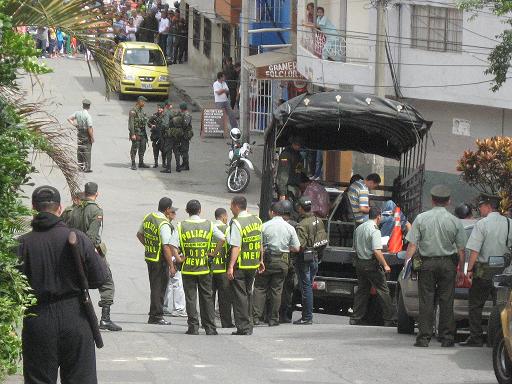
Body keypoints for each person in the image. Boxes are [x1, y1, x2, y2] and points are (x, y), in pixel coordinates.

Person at [19, 185, 108, 383]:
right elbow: (100, 278)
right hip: (75, 315)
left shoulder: (23, 244)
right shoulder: (77, 238)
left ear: (34, 208)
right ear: (59, 209)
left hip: (38, 317)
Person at [405, 185, 467, 348]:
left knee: (426, 300)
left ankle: (424, 338)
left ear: (432, 200)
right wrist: (462, 270)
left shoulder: (421, 218)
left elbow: (412, 245)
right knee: (447, 301)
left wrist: (407, 265)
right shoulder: (455, 221)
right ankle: (447, 338)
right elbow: (461, 250)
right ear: (448, 201)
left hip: (427, 264)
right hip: (448, 264)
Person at [64, 182, 122, 331]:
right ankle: (105, 318)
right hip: (90, 252)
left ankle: (75, 317)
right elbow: (92, 236)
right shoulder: (96, 210)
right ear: (97, 194)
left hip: (72, 252)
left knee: (76, 283)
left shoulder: (72, 210)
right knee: (107, 281)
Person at [461, 195, 512, 347]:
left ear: (489, 206)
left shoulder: (482, 224)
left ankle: (475, 338)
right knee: (501, 307)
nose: (480, 209)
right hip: (505, 273)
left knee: (476, 305)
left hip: (483, 272)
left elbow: (475, 250)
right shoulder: (510, 223)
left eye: (481, 206)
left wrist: (469, 269)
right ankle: (498, 340)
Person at [177, 200, 226, 335]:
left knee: (190, 298)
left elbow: (171, 244)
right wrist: (213, 253)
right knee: (207, 297)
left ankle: (193, 327)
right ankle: (210, 327)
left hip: (188, 268)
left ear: (187, 211)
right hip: (204, 267)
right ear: (200, 210)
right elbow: (222, 238)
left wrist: (179, 257)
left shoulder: (181, 226)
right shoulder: (208, 225)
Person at [253, 203, 300, 326]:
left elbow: (259, 245)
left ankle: (256, 317)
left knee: (260, 288)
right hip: (283, 261)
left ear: (272, 212)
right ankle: (274, 318)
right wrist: (285, 248)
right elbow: (297, 248)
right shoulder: (290, 227)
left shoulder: (264, 226)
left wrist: (260, 260)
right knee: (277, 290)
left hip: (267, 259)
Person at [136, 197, 179, 325]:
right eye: (171, 209)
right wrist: (171, 265)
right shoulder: (163, 223)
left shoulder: (148, 217)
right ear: (167, 209)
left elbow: (139, 234)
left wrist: (150, 246)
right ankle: (156, 316)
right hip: (160, 260)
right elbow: (166, 246)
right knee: (159, 288)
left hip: (150, 256)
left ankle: (153, 313)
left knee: (154, 286)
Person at [350, 207, 395, 327]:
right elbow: (376, 250)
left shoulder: (359, 228)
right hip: (370, 264)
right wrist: (385, 265)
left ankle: (355, 317)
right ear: (378, 217)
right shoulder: (375, 230)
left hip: (359, 263)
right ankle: (389, 319)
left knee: (362, 290)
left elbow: (354, 247)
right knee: (383, 290)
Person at [227, 196, 264, 335]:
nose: (230, 208)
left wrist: (231, 266)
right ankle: (249, 324)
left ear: (236, 206)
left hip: (241, 265)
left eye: (231, 205)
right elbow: (259, 242)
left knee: (240, 296)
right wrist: (261, 259)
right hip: (253, 264)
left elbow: (236, 246)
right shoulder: (257, 220)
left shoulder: (237, 223)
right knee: (248, 293)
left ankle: (243, 327)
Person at [294, 196, 328, 324]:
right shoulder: (318, 220)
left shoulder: (302, 224)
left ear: (300, 208)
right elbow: (323, 240)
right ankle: (306, 316)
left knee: (306, 287)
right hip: (315, 257)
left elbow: (300, 246)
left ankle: (307, 317)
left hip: (304, 259)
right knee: (308, 286)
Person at [211, 208, 234, 328]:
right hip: (223, 267)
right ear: (224, 216)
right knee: (224, 298)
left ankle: (208, 322)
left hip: (209, 268)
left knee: (209, 297)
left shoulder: (209, 227)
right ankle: (226, 322)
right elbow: (231, 245)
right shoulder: (227, 228)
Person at [163, 205, 187, 317]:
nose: (174, 214)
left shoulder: (166, 225)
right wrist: (175, 260)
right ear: (167, 213)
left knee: (168, 283)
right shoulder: (168, 227)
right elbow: (169, 245)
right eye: (173, 212)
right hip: (172, 257)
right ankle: (179, 308)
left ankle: (164, 306)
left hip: (167, 257)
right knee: (177, 283)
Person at [279, 199, 299, 323]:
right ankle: (284, 315)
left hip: (275, 259)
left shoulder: (272, 223)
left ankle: (271, 314)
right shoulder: (295, 225)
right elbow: (297, 246)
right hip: (290, 261)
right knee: (288, 290)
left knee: (275, 288)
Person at [68, 99, 94, 173]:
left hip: (79, 133)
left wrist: (75, 124)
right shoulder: (88, 116)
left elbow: (69, 118)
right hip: (86, 134)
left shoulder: (77, 113)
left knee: (80, 150)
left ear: (83, 105)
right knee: (87, 151)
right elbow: (89, 128)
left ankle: (80, 167)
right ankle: (87, 168)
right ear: (89, 107)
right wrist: (92, 137)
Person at [276, 136, 305, 202]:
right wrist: (282, 193)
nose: (299, 147)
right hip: (287, 189)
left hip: (294, 187)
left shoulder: (298, 155)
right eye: (298, 145)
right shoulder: (286, 155)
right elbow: (283, 174)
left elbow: (298, 171)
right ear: (293, 144)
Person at [128, 96, 149, 170]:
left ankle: (141, 163)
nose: (144, 103)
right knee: (134, 148)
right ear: (140, 101)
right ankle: (133, 163)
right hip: (136, 133)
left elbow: (145, 121)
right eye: (143, 102)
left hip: (142, 133)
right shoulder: (133, 111)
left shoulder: (142, 111)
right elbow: (131, 123)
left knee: (143, 148)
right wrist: (132, 134)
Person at [175, 102, 193, 171]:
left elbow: (185, 124)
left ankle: (186, 165)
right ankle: (183, 163)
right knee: (182, 149)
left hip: (185, 135)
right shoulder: (183, 114)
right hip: (182, 134)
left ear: (182, 108)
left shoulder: (187, 115)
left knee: (184, 150)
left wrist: (179, 121)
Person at [148, 103, 166, 168]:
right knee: (155, 150)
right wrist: (151, 125)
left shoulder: (165, 116)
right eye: (158, 108)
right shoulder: (154, 115)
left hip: (163, 136)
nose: (159, 109)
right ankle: (156, 163)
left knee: (163, 150)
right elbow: (148, 122)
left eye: (160, 108)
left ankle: (164, 163)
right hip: (155, 135)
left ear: (163, 109)